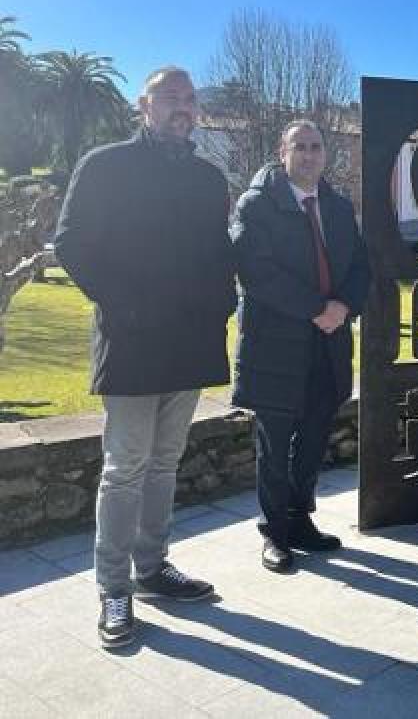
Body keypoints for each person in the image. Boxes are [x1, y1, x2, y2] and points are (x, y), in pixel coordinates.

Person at [54, 66, 236, 649]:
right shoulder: (105, 165)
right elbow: (72, 244)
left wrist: (220, 308)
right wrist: (125, 306)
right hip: (131, 343)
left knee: (165, 462)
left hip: (187, 344)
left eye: (190, 99)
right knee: (125, 466)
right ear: (144, 105)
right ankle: (113, 588)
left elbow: (217, 254)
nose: (183, 107)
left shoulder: (210, 178)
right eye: (170, 98)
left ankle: (153, 568)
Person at [231, 121, 370, 573]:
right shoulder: (256, 205)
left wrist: (343, 306)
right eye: (300, 147)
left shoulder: (338, 206)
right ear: (282, 151)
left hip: (328, 342)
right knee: (275, 442)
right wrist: (317, 308)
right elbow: (257, 273)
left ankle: (299, 520)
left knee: (313, 438)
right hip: (276, 344)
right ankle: (273, 531)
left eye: (316, 147)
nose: (309, 155)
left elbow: (360, 266)